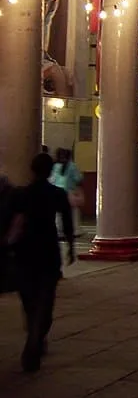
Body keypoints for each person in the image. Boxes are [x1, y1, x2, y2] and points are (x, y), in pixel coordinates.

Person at [4, 153, 75, 371]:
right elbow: (67, 222)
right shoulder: (57, 194)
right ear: (49, 170)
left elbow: (10, 221)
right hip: (47, 250)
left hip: (25, 251)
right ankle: (36, 337)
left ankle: (34, 334)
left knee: (29, 299)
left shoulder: (21, 195)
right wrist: (70, 247)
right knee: (45, 299)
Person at [50, 148, 84, 238]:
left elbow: (51, 180)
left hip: (57, 191)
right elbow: (78, 178)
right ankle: (75, 231)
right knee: (73, 212)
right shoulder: (72, 166)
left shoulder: (56, 166)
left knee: (58, 213)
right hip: (70, 192)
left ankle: (59, 231)